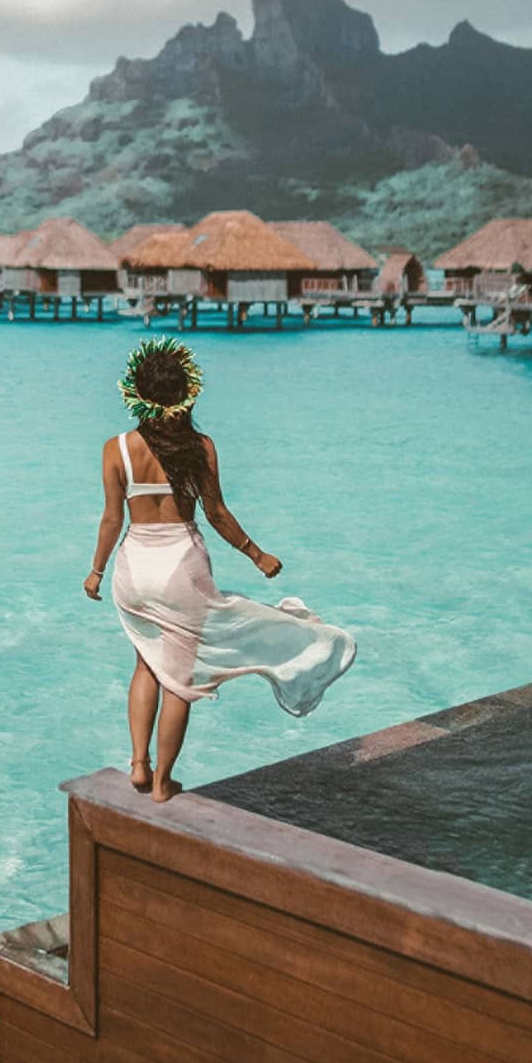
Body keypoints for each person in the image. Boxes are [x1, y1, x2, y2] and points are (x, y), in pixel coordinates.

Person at [83, 337, 356, 802]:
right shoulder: (200, 446)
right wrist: (257, 554)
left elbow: (112, 518)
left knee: (146, 663)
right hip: (180, 568)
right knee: (181, 679)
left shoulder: (117, 449)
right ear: (188, 393)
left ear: (136, 392)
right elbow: (217, 514)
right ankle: (164, 784)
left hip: (134, 570)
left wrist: (96, 571)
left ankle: (138, 763)